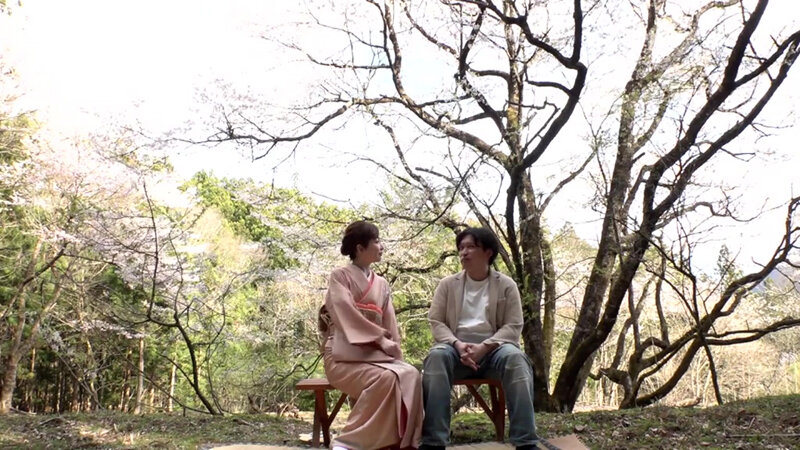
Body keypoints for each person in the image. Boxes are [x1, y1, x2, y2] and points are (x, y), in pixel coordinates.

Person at [420, 227, 540, 450]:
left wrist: (484, 347)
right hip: (455, 352)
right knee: (436, 357)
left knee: (516, 359)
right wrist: (457, 344)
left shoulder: (506, 285)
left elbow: (513, 326)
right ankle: (434, 442)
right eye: (461, 248)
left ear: (488, 252)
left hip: (495, 351)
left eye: (471, 247)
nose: (464, 252)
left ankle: (525, 442)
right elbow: (436, 321)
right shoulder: (448, 285)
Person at [321, 220, 423, 450]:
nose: (381, 246)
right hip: (341, 357)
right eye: (376, 241)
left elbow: (390, 323)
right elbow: (344, 312)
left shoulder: (382, 284)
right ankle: (348, 442)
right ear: (360, 248)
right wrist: (379, 339)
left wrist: (395, 351)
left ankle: (403, 441)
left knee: (411, 374)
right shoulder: (340, 276)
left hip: (374, 356)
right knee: (386, 379)